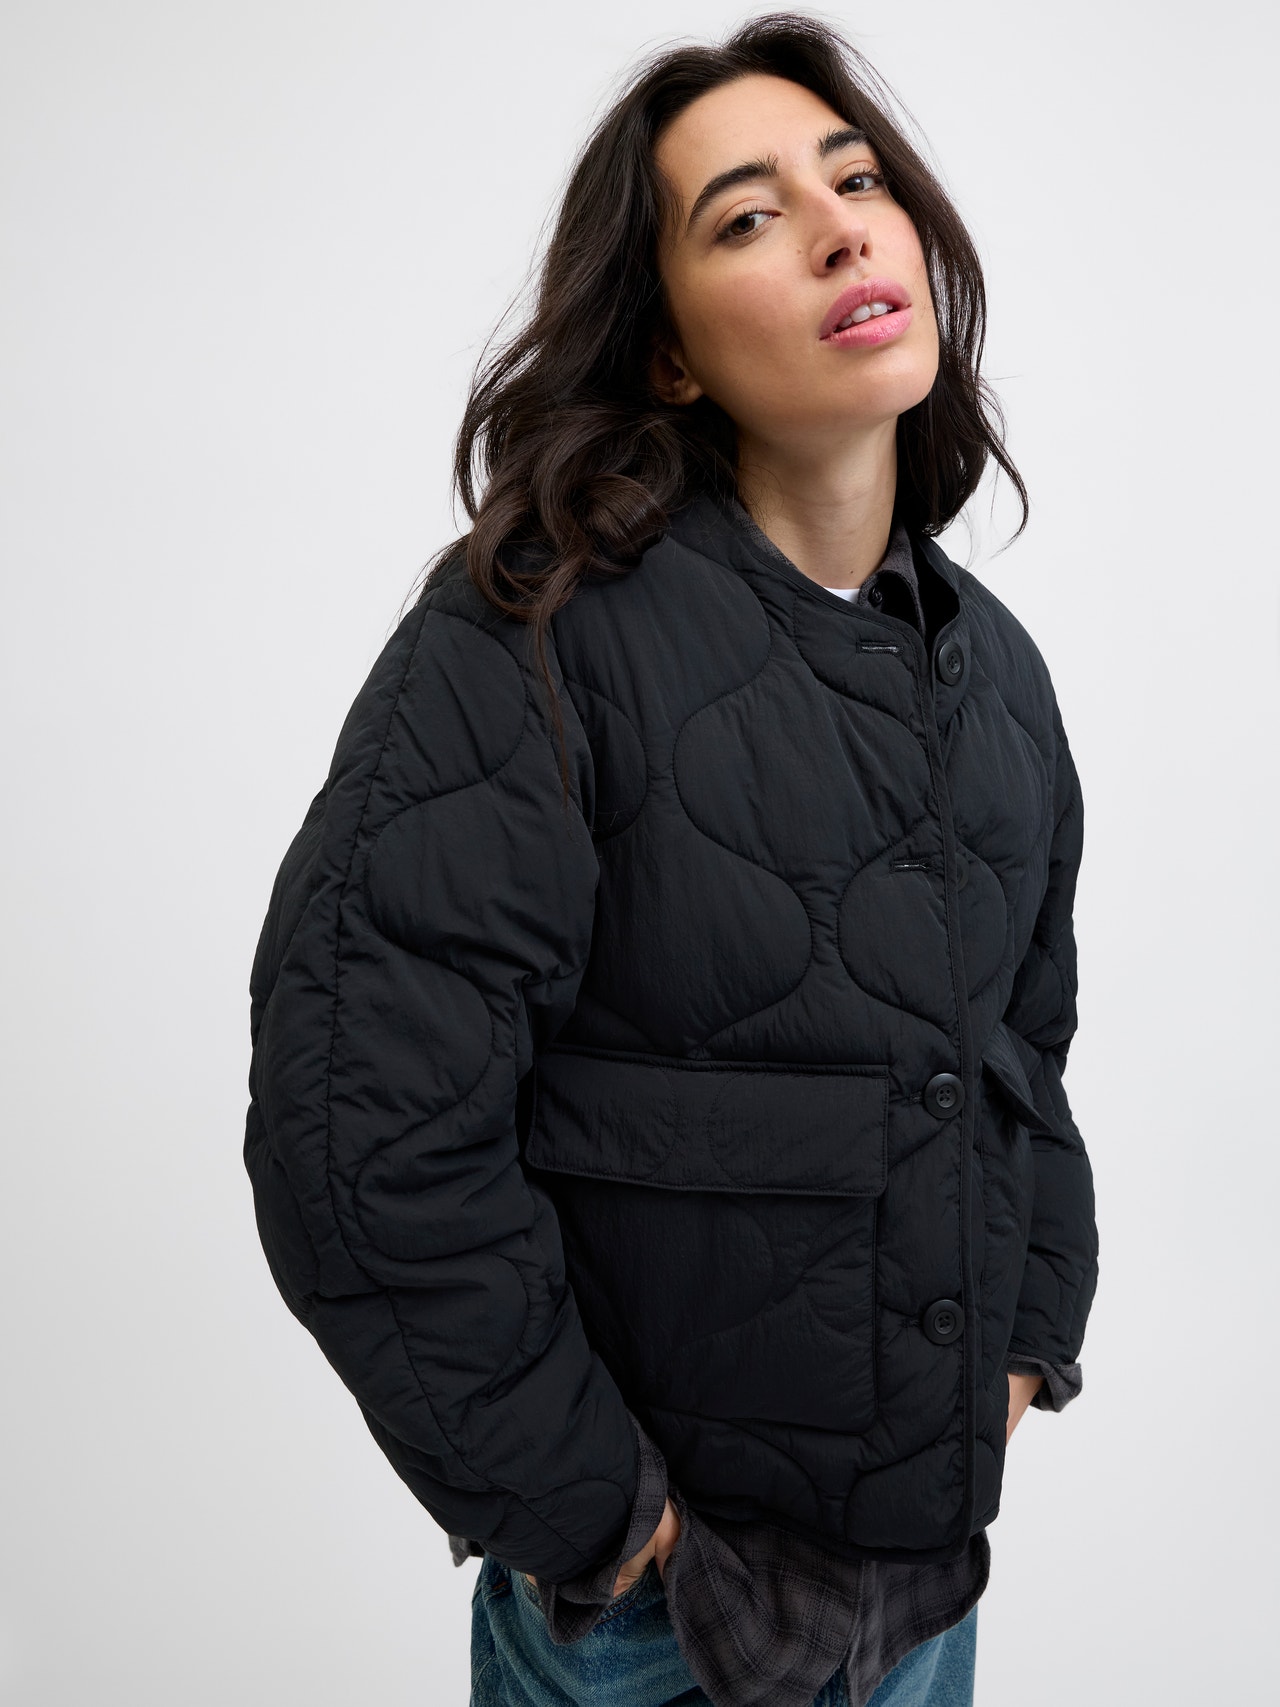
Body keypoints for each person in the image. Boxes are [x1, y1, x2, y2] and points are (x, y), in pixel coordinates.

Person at [242, 13, 1099, 1706]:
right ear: (670, 359)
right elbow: (359, 1130)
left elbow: (1026, 1051)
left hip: (927, 1599)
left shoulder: (997, 673)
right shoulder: (528, 636)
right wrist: (607, 1522)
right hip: (659, 1632)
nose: (842, 229)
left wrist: (1023, 1343)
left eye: (859, 180)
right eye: (748, 216)